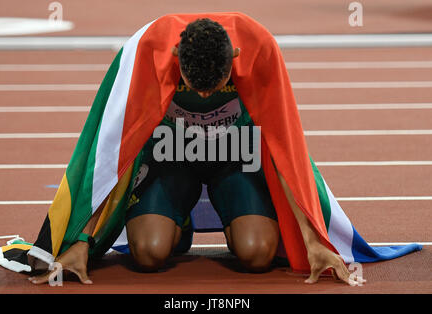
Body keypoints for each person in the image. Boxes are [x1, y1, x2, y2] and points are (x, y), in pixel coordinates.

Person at [28, 15, 365, 286]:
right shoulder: (147, 51)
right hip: (168, 157)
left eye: (214, 89)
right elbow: (111, 146)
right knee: (147, 255)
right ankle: (180, 218)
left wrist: (313, 241)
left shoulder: (259, 48)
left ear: (234, 58)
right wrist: (82, 239)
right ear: (176, 59)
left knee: (257, 254)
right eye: (194, 89)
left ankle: (233, 214)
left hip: (237, 158)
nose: (204, 99)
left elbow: (284, 146)